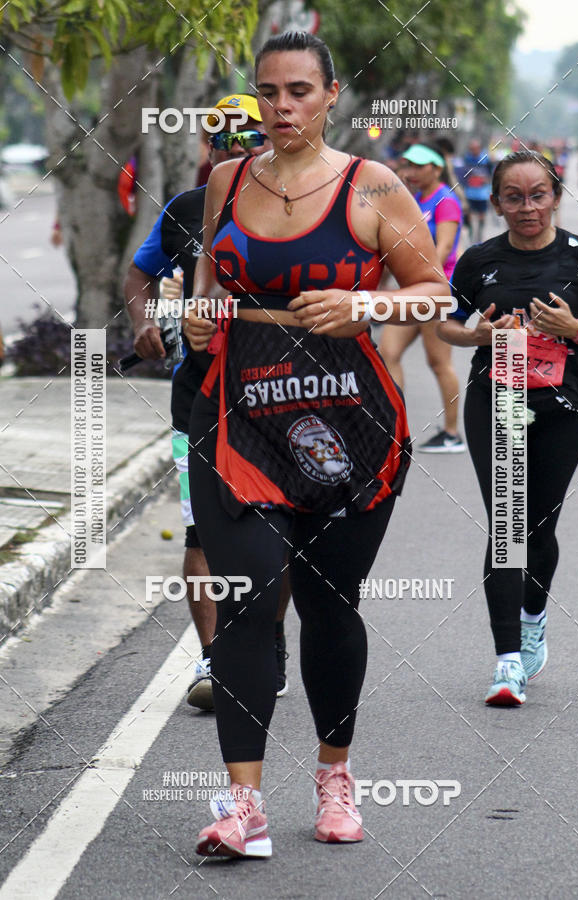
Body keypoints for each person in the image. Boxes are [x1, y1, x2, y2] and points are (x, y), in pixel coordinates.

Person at [184, 30, 449, 857]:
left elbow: (433, 293)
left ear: (332, 95)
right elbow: (206, 287)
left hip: (351, 416)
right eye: (269, 92)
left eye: (299, 91)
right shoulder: (226, 180)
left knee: (332, 605)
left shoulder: (372, 187)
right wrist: (194, 319)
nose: (282, 107)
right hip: (240, 414)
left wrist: (364, 307)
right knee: (249, 601)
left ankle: (335, 775)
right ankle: (243, 806)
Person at [124, 94, 291, 710]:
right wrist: (144, 321)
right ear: (209, 149)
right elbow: (140, 276)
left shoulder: (303, 212)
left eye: (250, 138)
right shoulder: (185, 211)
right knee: (200, 534)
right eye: (224, 141)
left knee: (280, 534)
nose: (239, 151)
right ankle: (214, 658)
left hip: (279, 393)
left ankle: (268, 636)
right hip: (200, 394)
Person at [438, 149, 578, 706]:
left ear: (556, 195)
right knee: (507, 525)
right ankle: (508, 661)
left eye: (537, 195)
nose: (527, 207)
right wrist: (479, 335)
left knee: (540, 524)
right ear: (498, 200)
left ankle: (534, 616)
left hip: (566, 408)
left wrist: (576, 328)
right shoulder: (479, 259)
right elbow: (447, 325)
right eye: (514, 197)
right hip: (497, 402)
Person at [379, 144, 465, 453]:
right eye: (408, 166)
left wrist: (421, 279)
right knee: (388, 352)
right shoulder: (415, 200)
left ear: (436, 168)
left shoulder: (446, 201)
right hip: (412, 292)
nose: (411, 172)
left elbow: (443, 250)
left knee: (439, 362)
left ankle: (453, 434)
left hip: (436, 291)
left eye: (418, 166)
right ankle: (397, 428)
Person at [461, 138, 493, 244]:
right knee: (469, 214)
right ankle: (471, 235)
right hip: (470, 192)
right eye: (471, 149)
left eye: (475, 149)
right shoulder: (467, 159)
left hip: (482, 193)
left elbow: (491, 174)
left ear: (479, 149)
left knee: (481, 215)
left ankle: (479, 234)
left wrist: (484, 180)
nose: (473, 151)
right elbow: (463, 174)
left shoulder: (486, 159)